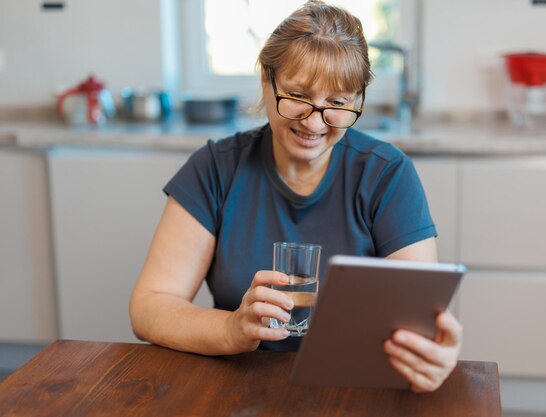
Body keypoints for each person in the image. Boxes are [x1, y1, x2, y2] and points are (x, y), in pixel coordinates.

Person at [129, 0, 462, 393]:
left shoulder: (387, 175)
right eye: (298, 95)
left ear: (357, 102)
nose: (314, 121)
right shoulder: (216, 169)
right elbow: (150, 304)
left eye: (337, 104)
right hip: (241, 386)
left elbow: (416, 322)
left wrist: (429, 356)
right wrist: (232, 329)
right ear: (266, 82)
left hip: (354, 390)